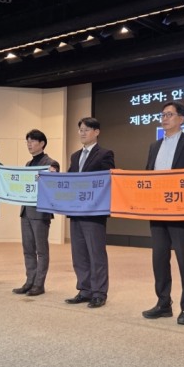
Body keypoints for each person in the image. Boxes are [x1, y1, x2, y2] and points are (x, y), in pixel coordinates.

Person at [142, 101, 184, 326]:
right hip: (157, 210)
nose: (164, 118)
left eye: (169, 115)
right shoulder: (155, 146)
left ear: (181, 119)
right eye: (162, 115)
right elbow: (148, 175)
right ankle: (163, 304)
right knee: (159, 258)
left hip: (181, 211)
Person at [64, 118, 115, 309]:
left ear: (96, 132)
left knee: (96, 253)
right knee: (79, 254)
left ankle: (99, 293)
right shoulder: (75, 156)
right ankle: (84, 290)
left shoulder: (105, 153)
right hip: (76, 211)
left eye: (86, 130)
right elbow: (69, 179)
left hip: (94, 212)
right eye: (80, 130)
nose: (82, 133)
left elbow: (108, 178)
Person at [13, 130, 59, 297]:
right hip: (26, 211)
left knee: (41, 250)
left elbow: (54, 183)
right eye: (27, 141)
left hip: (40, 212)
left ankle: (39, 284)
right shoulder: (28, 164)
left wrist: (53, 174)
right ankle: (29, 281)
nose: (29, 144)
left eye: (32, 141)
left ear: (42, 143)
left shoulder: (51, 163)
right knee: (27, 249)